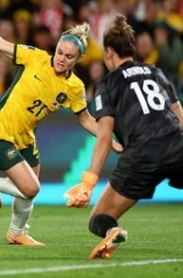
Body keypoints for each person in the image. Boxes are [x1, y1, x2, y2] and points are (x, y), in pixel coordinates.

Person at [0, 7, 122, 246]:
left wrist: (110, 140)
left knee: (28, 190)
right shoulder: (34, 58)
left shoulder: (74, 87)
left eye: (68, 57)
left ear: (79, 60)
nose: (61, 58)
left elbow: (85, 118)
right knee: (31, 189)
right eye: (59, 52)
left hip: (25, 138)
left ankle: (17, 233)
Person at [64, 14, 183, 259]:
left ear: (108, 52)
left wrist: (88, 183)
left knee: (99, 218)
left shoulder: (108, 84)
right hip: (176, 144)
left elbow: (105, 137)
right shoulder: (156, 72)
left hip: (141, 156)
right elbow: (179, 113)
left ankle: (113, 230)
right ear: (132, 48)